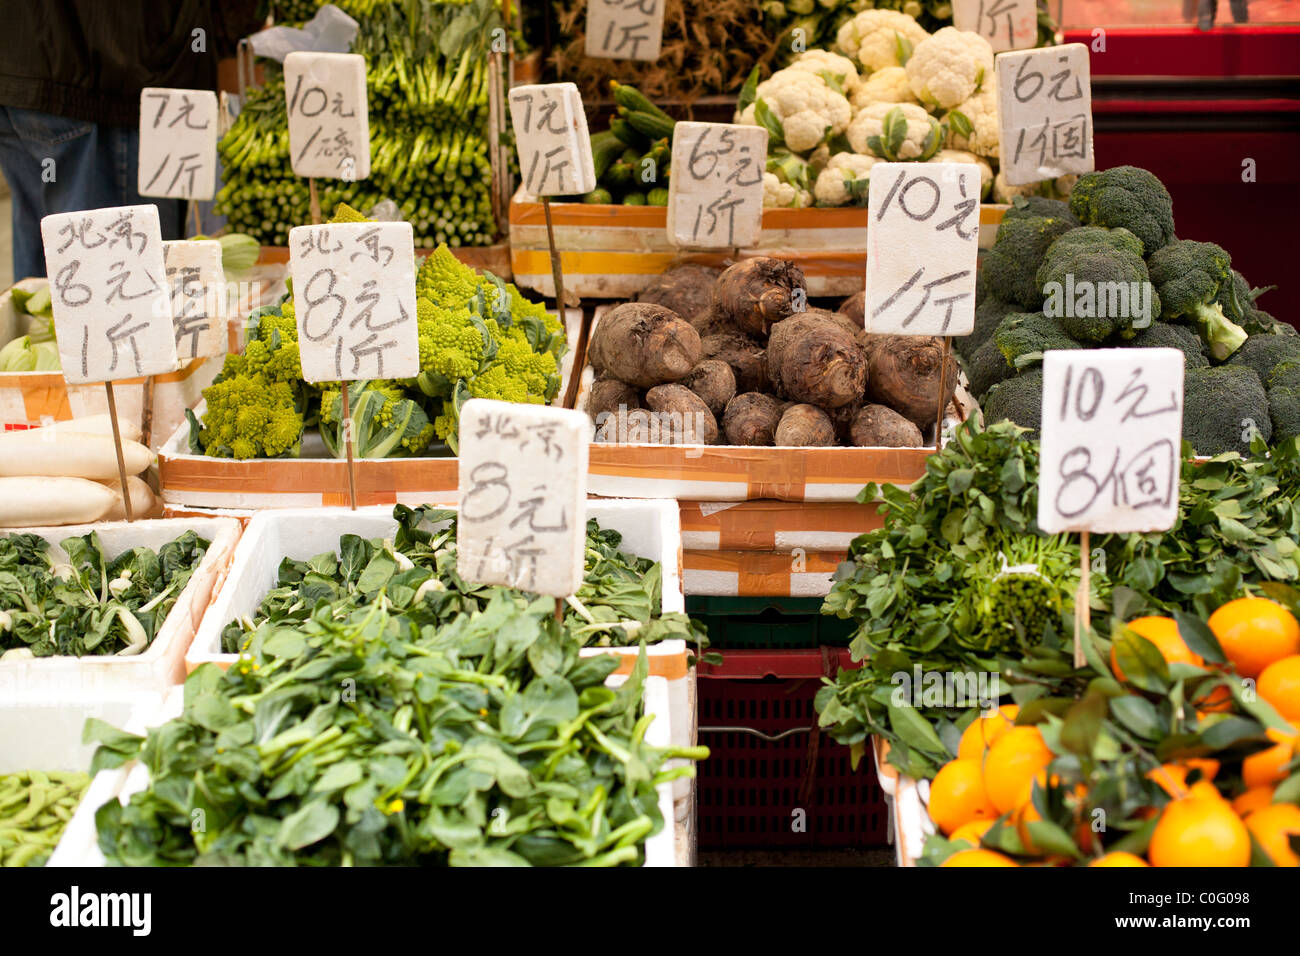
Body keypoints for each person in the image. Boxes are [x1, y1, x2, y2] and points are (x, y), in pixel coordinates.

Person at [0, 1, 262, 279]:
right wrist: (233, 34)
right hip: (105, 78)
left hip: (24, 67)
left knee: (45, 269)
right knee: (119, 282)